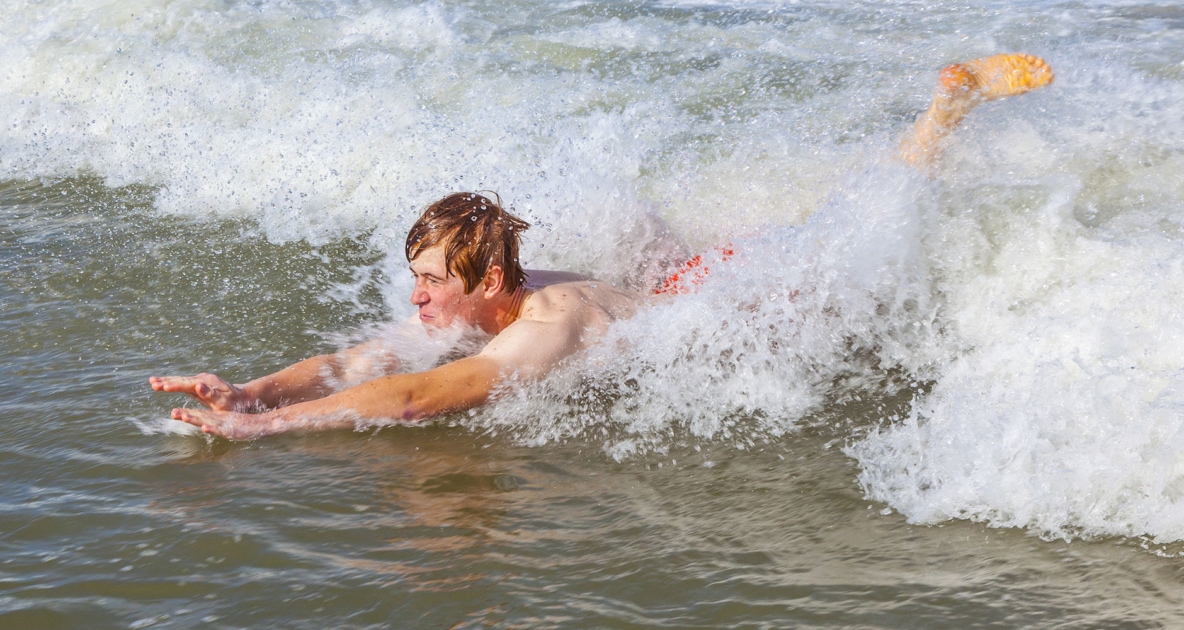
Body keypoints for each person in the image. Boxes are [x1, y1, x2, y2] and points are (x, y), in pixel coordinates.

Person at [151, 53, 1053, 439]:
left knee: (865, 237)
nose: (418, 297)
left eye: (432, 281)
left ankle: (947, 114)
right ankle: (942, 115)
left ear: (490, 278)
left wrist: (257, 433)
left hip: (739, 307)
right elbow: (363, 363)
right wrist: (254, 389)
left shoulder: (542, 324)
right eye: (415, 279)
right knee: (834, 219)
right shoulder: (477, 307)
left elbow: (418, 401)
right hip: (690, 287)